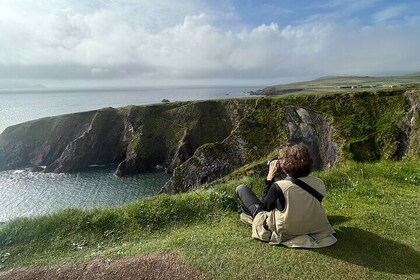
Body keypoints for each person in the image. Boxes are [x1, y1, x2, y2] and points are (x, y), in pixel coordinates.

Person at [236, 143, 337, 248]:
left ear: (285, 167)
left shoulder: (279, 186)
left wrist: (269, 178)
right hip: (314, 225)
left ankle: (252, 219)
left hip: (288, 229)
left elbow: (265, 207)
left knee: (241, 189)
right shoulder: (318, 183)